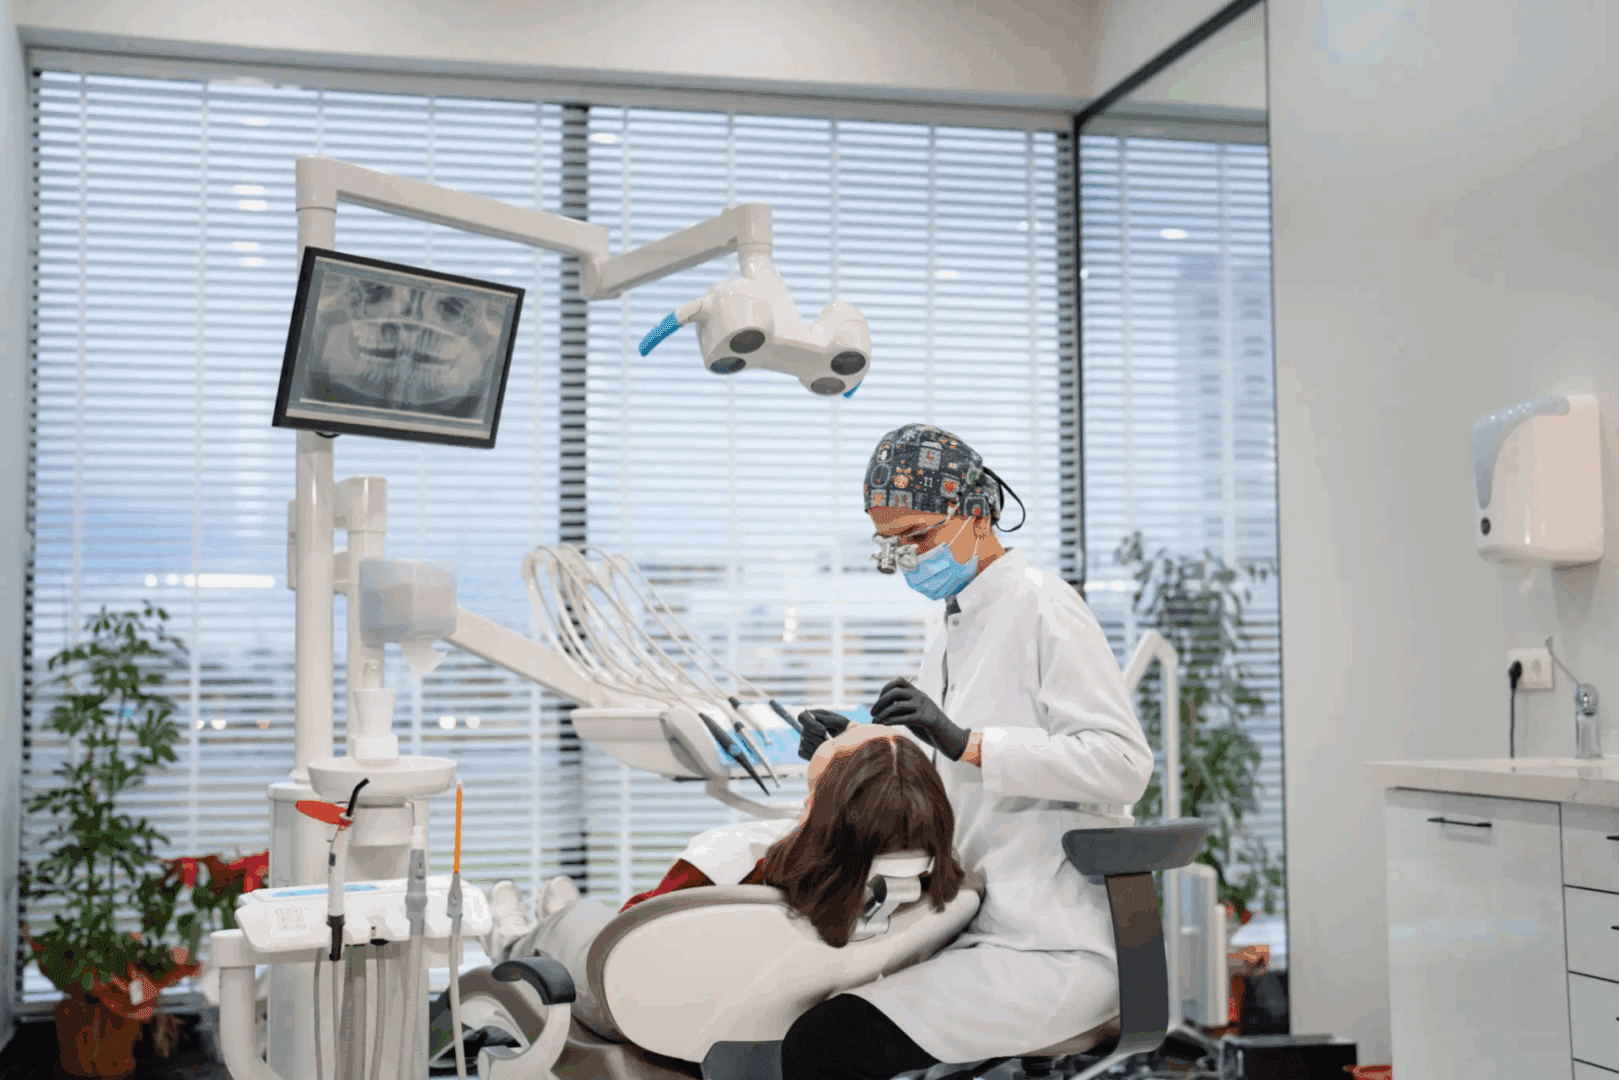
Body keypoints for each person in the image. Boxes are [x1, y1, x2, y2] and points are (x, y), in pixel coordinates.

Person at [783, 422, 1155, 1078]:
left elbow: (1123, 765)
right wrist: (851, 746)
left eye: (917, 536)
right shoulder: (955, 626)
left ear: (977, 513)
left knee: (826, 1044)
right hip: (972, 925)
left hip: (1049, 945)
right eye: (892, 544)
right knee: (804, 1015)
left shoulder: (1043, 607)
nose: (909, 556)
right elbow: (941, 778)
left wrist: (969, 742)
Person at [483, 724, 969, 1038]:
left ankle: (509, 936)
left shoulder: (735, 856)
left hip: (635, 1003)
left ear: (823, 802)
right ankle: (555, 911)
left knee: (576, 918)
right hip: (778, 1010)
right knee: (577, 911)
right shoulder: (929, 878)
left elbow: (633, 930)